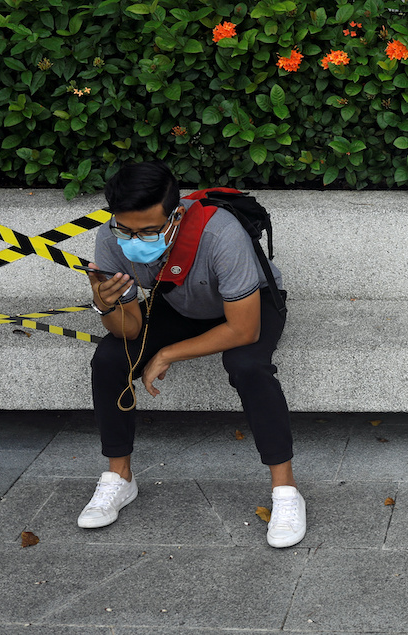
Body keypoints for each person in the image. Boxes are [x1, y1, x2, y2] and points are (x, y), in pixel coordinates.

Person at [76, 160, 305, 548]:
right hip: (180, 302)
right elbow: (129, 329)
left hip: (250, 306)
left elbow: (243, 329)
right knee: (111, 357)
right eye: (126, 229)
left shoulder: (220, 234)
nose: (135, 239)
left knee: (246, 363)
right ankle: (120, 478)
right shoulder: (110, 239)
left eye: (149, 231)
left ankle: (286, 491)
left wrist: (167, 354)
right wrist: (105, 304)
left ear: (175, 216)